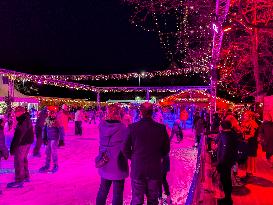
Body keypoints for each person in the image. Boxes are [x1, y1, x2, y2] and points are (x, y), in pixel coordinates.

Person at [123, 102, 170, 205]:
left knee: (137, 200)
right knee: (152, 200)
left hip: (138, 169)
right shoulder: (161, 128)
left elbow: (125, 149)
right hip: (154, 169)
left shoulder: (132, 128)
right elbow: (166, 149)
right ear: (152, 112)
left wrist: (135, 158)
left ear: (140, 112)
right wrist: (158, 156)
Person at [96, 104, 129, 205]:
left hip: (105, 161)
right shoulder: (123, 128)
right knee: (117, 194)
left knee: (103, 190)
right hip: (118, 164)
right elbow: (127, 145)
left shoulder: (101, 126)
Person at [7, 106, 34, 188]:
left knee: (18, 161)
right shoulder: (25, 118)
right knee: (23, 159)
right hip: (27, 142)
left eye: (16, 112)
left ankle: (19, 180)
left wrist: (12, 147)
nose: (15, 114)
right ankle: (26, 176)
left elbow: (18, 136)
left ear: (20, 112)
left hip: (22, 143)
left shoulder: (23, 120)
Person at [217, 120, 239, 205]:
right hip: (229, 160)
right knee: (226, 179)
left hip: (225, 162)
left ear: (223, 126)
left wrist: (220, 163)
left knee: (225, 179)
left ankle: (227, 199)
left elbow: (225, 150)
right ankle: (227, 198)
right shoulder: (233, 134)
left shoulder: (225, 135)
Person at [241, 111, 258, 178]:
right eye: (244, 115)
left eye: (246, 116)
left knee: (250, 157)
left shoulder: (253, 124)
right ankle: (247, 171)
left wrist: (245, 137)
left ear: (250, 117)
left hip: (251, 143)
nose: (244, 117)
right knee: (247, 157)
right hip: (246, 142)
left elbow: (252, 134)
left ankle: (249, 172)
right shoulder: (244, 122)